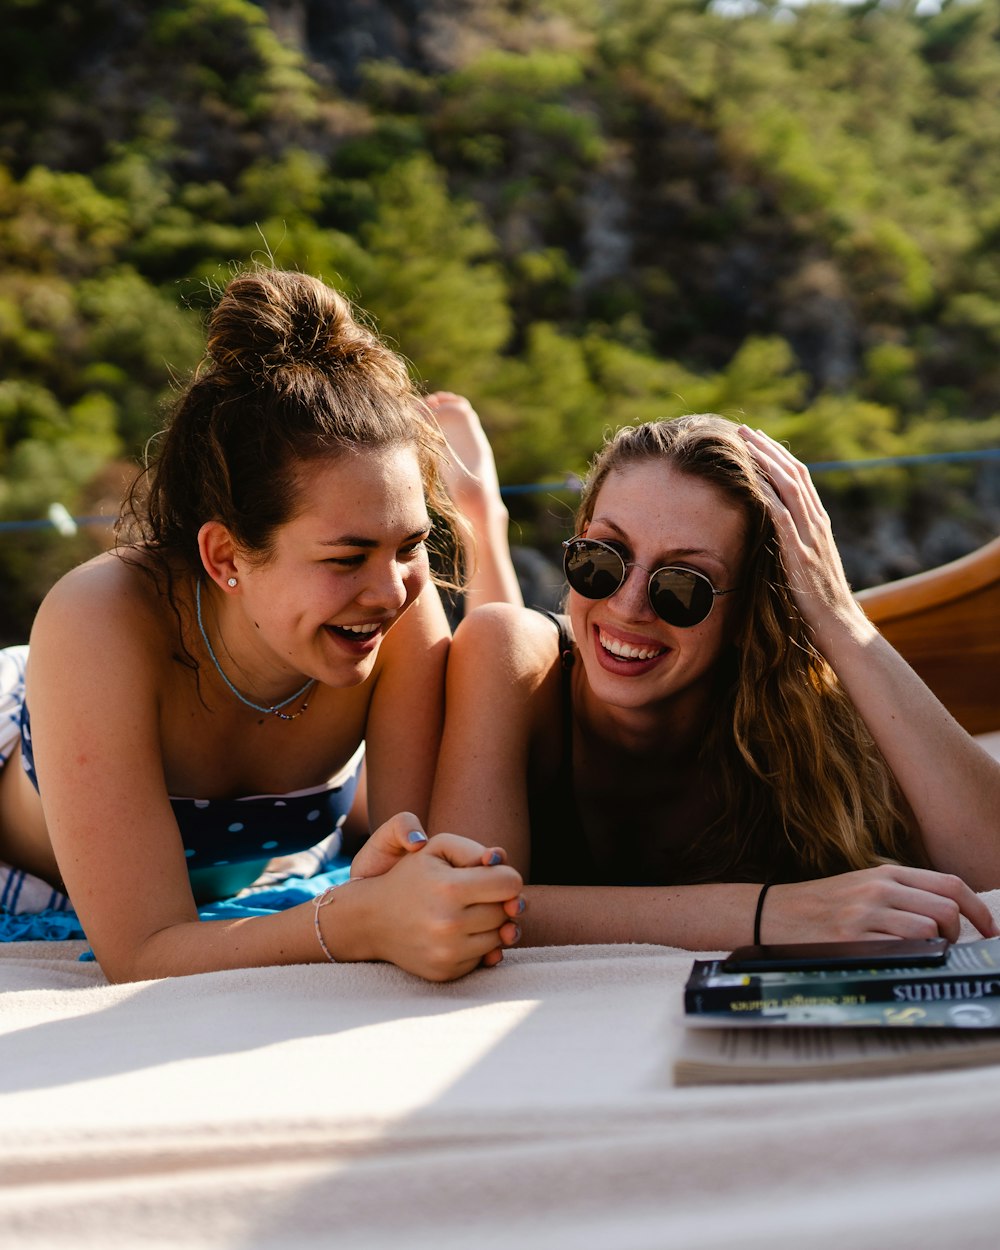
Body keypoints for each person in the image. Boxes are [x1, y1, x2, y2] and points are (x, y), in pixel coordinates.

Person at [0, 267, 524, 983]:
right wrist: (355, 918)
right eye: (346, 557)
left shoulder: (395, 606)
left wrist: (479, 524)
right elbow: (143, 949)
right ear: (225, 556)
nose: (387, 591)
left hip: (254, 882)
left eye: (409, 545)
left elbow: (421, 853)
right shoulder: (101, 620)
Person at [431, 415, 1000, 949]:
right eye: (601, 559)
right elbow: (464, 907)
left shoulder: (801, 721)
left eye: (684, 585)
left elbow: (992, 866)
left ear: (748, 608)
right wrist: (772, 914)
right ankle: (481, 516)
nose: (628, 607)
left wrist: (836, 615)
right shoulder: (508, 649)